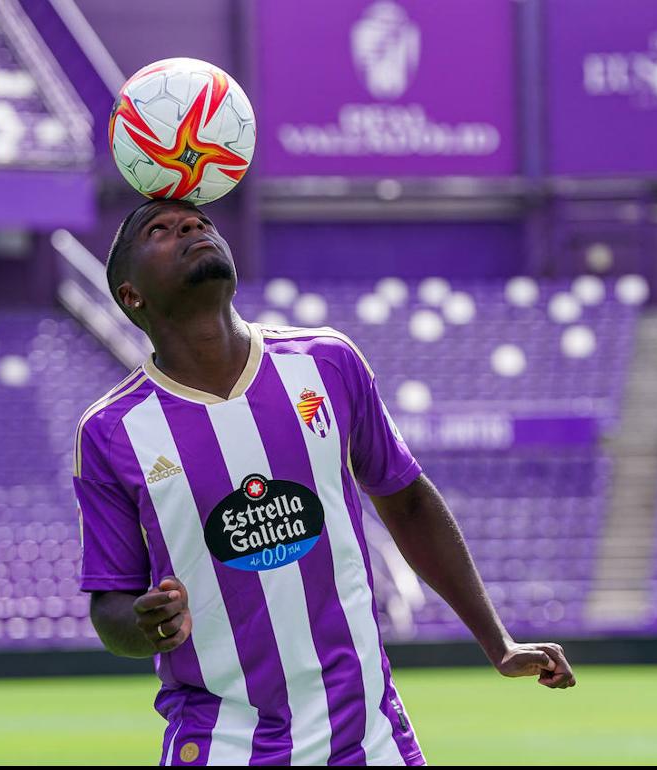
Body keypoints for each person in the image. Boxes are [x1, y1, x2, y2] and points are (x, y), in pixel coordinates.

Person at [74, 198, 575, 766]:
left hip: (369, 741)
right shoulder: (110, 431)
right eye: (159, 230)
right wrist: (147, 627)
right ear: (131, 296)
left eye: (200, 221)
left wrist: (498, 642)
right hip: (223, 746)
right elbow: (111, 603)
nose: (190, 225)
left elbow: (407, 502)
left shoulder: (327, 362)